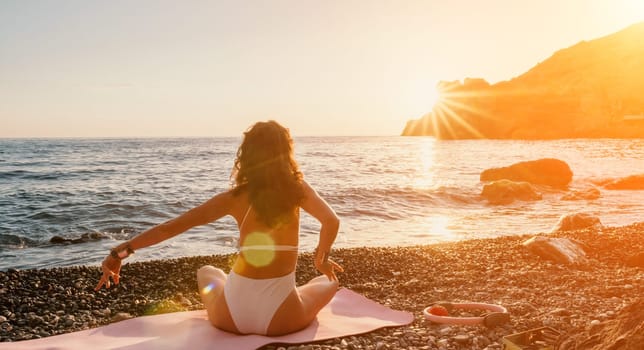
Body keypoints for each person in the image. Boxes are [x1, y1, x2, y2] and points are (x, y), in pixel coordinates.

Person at [95, 120, 344, 336]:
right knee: (327, 281)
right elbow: (331, 221)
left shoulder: (234, 198)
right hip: (281, 320)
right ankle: (289, 291)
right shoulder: (298, 190)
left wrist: (119, 253)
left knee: (208, 271)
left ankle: (263, 291)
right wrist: (321, 259)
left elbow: (170, 228)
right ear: (286, 152)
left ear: (247, 155)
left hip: (230, 319)